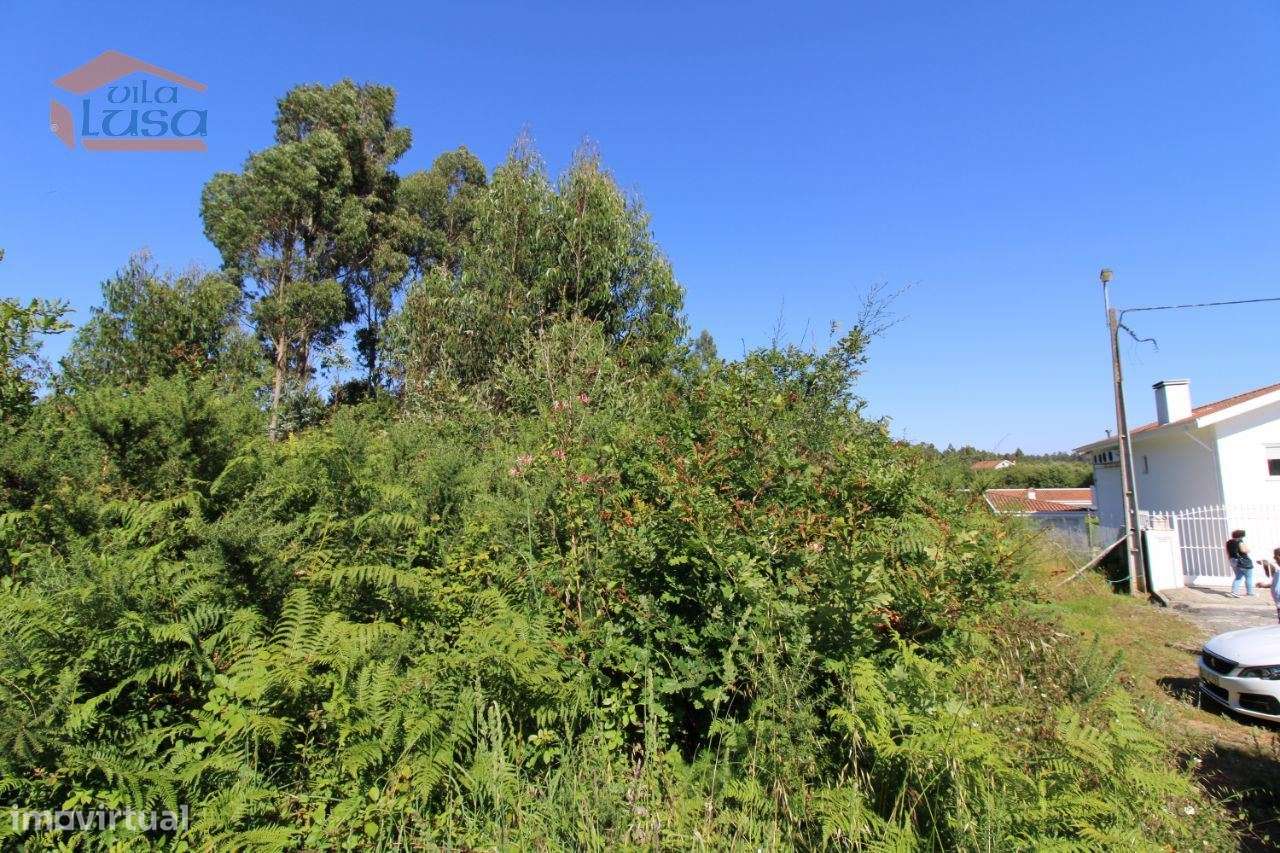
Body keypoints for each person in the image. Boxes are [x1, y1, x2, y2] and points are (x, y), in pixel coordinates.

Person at [1226, 529, 1255, 597]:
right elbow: (1243, 550)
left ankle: (1234, 592)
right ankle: (1250, 593)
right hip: (1242, 561)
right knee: (1248, 577)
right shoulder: (1240, 541)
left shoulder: (1229, 542)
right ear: (1241, 536)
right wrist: (1248, 549)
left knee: (1238, 577)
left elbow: (1228, 552)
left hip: (1232, 560)